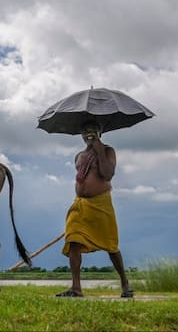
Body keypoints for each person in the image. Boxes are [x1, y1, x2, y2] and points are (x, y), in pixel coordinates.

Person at [55, 121, 134, 298]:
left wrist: (98, 147)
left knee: (111, 245)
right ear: (81, 134)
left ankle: (124, 283)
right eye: (85, 131)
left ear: (100, 132)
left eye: (92, 131)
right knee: (73, 241)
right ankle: (76, 288)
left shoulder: (107, 151)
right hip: (80, 204)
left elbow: (107, 173)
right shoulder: (79, 156)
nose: (88, 134)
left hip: (101, 204)